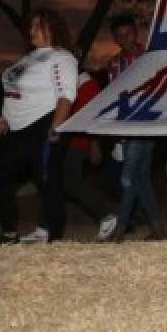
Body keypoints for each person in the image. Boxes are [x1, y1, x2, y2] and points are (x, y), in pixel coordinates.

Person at [0, 8, 77, 244]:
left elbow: (66, 95)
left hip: (44, 122)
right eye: (30, 26)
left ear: (52, 28)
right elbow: (13, 91)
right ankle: (9, 231)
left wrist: (55, 127)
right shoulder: (28, 58)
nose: (31, 30)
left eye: (37, 25)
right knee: (1, 173)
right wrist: (4, 116)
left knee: (46, 180)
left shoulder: (62, 57)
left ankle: (55, 236)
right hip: (17, 127)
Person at [105, 14, 167, 242]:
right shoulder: (113, 64)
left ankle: (120, 229)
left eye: (128, 33)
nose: (124, 39)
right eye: (119, 36)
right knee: (140, 177)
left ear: (136, 33)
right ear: (115, 38)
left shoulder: (149, 58)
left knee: (129, 175)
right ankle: (158, 228)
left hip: (147, 122)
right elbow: (113, 97)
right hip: (125, 126)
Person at [64, 71, 118, 241]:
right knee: (51, 183)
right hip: (60, 139)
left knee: (70, 182)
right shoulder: (61, 77)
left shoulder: (86, 81)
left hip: (77, 140)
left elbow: (92, 114)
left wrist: (94, 144)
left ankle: (108, 214)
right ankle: (44, 228)